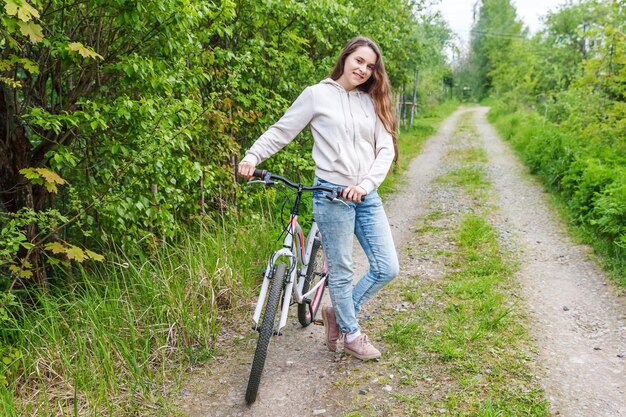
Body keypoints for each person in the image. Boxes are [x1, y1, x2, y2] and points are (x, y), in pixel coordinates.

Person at [238, 36, 399, 361]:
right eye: (359, 62)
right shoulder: (317, 96)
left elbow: (386, 148)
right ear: (346, 58)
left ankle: (338, 314)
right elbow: (282, 131)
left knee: (387, 267)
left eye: (370, 67)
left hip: (366, 195)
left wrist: (366, 184)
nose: (364, 70)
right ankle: (352, 335)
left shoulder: (371, 100)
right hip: (330, 195)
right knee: (340, 269)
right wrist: (252, 156)